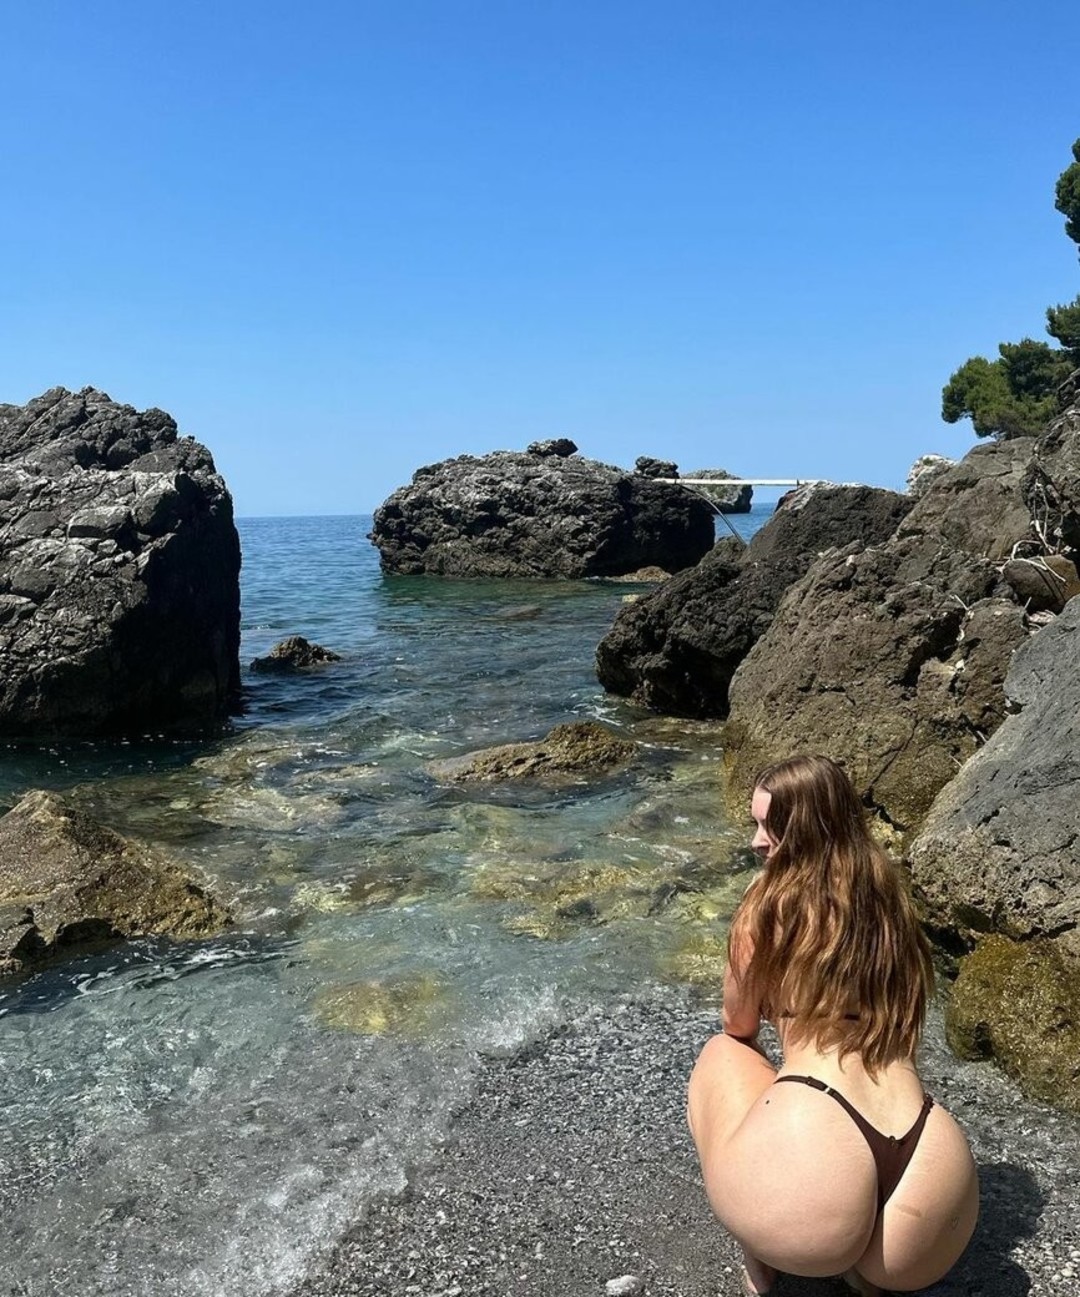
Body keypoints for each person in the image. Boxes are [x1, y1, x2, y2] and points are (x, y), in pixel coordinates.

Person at [686, 755, 979, 1296]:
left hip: (818, 1167)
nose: (756, 842)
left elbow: (737, 1021)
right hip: (931, 1176)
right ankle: (868, 1267)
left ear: (804, 829)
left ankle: (760, 1254)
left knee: (721, 1053)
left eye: (770, 827)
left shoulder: (766, 903)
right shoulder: (890, 905)